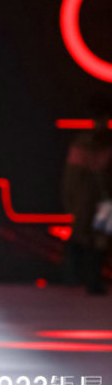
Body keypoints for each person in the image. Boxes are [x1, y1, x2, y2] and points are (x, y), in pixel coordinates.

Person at [61, 94, 112, 294]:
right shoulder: (84, 142)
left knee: (99, 238)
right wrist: (71, 197)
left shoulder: (102, 141)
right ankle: (77, 277)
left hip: (104, 198)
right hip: (89, 196)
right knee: (84, 235)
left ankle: (91, 280)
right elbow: (72, 174)